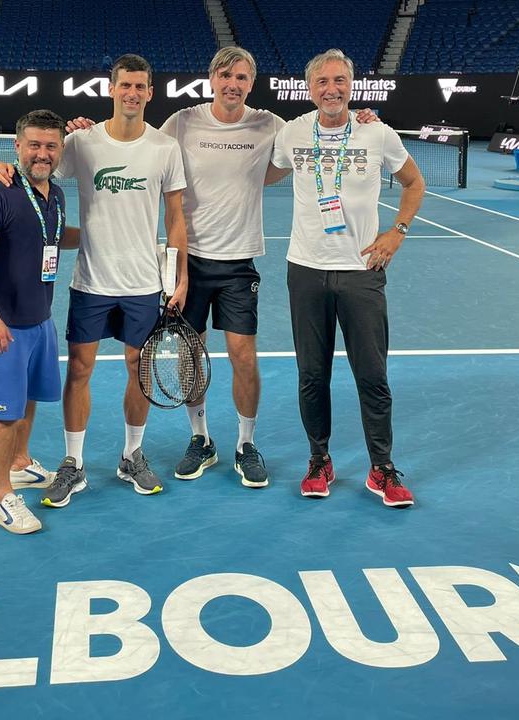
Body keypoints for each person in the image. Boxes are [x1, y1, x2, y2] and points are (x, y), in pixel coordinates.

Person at [47, 47, 380, 490]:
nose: (233, 83)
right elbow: (135, 150)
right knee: (192, 358)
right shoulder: (182, 122)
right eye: (225, 75)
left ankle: (245, 443)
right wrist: (83, 132)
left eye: (241, 77)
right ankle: (200, 437)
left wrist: (360, 121)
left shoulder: (270, 126)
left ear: (251, 83)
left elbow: (317, 133)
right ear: (211, 79)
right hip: (190, 261)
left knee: (244, 356)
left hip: (240, 261)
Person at [0, 54, 189, 506]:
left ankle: (131, 455)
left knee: (140, 370)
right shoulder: (81, 143)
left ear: (150, 93)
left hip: (142, 283)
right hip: (91, 280)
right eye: (124, 86)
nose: (132, 94)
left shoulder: (164, 148)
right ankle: (73, 464)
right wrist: (0, 167)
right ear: (111, 89)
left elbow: (176, 216)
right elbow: (35, 170)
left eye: (140, 86)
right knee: (79, 370)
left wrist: (180, 275)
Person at [269, 49, 425, 508]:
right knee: (312, 376)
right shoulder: (293, 133)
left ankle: (382, 468)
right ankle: (320, 460)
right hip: (306, 269)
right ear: (310, 87)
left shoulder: (377, 132)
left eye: (339, 80)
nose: (331, 89)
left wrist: (396, 232)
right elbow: (261, 174)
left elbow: (414, 183)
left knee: (372, 376)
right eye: (322, 82)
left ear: (352, 85)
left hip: (362, 271)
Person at [0, 109, 80, 533]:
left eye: (51, 146)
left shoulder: (57, 195)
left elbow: (55, 236)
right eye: (34, 144)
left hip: (39, 320)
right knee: (5, 413)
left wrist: (105, 235)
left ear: (61, 150)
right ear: (17, 146)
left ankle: (19, 463)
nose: (42, 153)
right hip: (3, 326)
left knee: (29, 399)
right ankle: (1, 496)